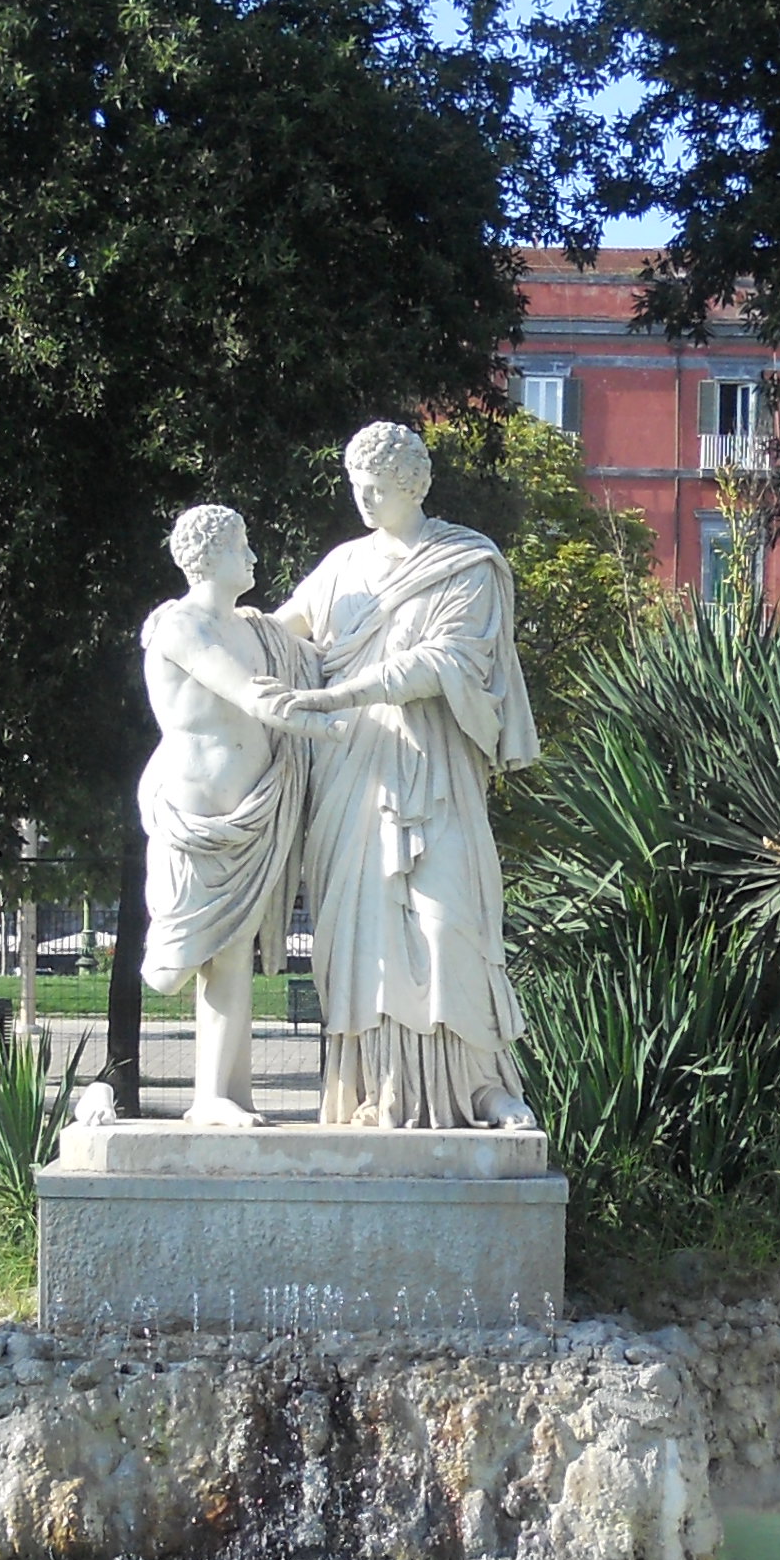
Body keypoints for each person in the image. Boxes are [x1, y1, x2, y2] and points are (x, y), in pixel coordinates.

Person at [278, 421, 539, 1128]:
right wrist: (204, 624)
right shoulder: (341, 566)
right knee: (364, 940)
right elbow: (281, 633)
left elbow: (447, 662)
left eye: (378, 487)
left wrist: (341, 693)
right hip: (353, 780)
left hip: (434, 769)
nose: (363, 500)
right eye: (355, 486)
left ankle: (481, 1086)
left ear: (415, 485)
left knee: (449, 923)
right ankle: (375, 1090)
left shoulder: (465, 563)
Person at [135, 503, 314, 1124]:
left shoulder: (257, 629)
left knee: (234, 955)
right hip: (197, 814)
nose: (255, 557)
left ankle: (222, 1095)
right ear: (210, 554)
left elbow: (317, 652)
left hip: (253, 813)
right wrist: (333, 719)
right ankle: (215, 1095)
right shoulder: (179, 627)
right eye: (244, 545)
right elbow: (245, 691)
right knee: (180, 965)